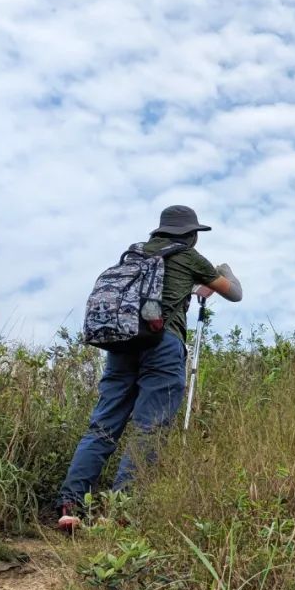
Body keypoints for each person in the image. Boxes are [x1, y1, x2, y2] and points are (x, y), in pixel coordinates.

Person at [57, 205, 242, 530]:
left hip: (123, 344)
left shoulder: (135, 254)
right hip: (162, 345)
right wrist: (222, 271)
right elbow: (235, 293)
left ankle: (71, 507)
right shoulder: (188, 256)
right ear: (191, 234)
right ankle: (121, 515)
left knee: (101, 427)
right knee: (150, 429)